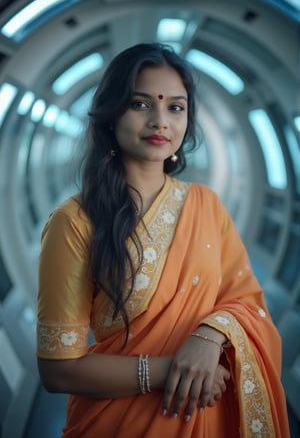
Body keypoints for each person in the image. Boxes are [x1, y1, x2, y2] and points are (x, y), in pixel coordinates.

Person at [37, 42, 290, 437]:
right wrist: (171, 369)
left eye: (175, 107)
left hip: (205, 414)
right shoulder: (74, 223)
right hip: (116, 422)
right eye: (141, 105)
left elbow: (246, 301)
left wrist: (209, 337)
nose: (161, 121)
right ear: (110, 114)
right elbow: (58, 369)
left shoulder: (205, 204)